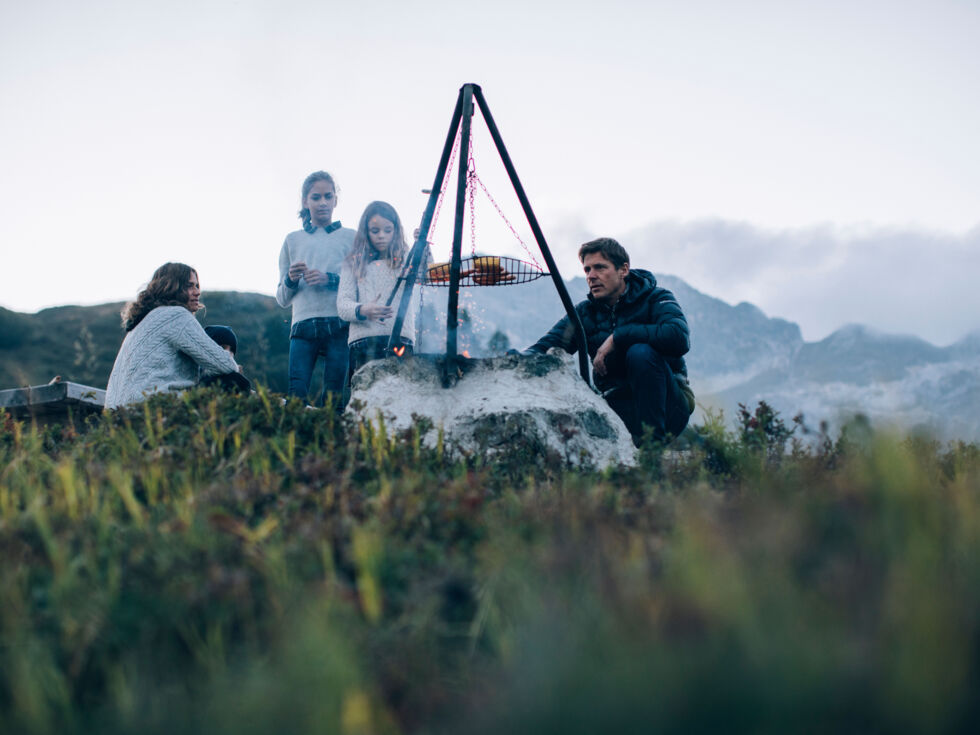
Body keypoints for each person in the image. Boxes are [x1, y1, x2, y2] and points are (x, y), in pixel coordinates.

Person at [526, 237, 695, 445]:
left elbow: (678, 337)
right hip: (616, 406)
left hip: (668, 405)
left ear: (623, 270)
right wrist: (515, 358)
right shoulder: (584, 312)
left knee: (640, 352)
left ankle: (654, 453)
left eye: (600, 267)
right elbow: (548, 345)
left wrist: (618, 337)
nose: (591, 276)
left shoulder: (656, 298)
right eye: (587, 270)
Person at [105, 263, 241, 409]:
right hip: (148, 411)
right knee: (233, 381)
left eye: (197, 285)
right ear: (171, 287)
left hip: (115, 414)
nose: (197, 292)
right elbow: (225, 365)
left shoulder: (141, 322)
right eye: (189, 286)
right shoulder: (176, 315)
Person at [276, 170, 355, 407]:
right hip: (303, 326)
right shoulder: (292, 240)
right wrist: (291, 279)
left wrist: (329, 279)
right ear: (305, 201)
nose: (322, 203)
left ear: (335, 200)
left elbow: (362, 286)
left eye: (328, 197)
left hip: (339, 325)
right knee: (296, 396)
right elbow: (282, 298)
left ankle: (332, 443)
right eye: (316, 197)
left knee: (333, 399)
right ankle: (297, 443)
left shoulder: (351, 237)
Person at [337, 201, 424, 381]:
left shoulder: (405, 259)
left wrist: (423, 246)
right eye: (375, 231)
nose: (381, 236)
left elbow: (425, 276)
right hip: (363, 342)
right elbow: (343, 304)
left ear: (396, 231)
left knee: (401, 398)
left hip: (400, 339)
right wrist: (363, 310)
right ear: (366, 232)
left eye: (387, 230)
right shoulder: (352, 263)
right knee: (365, 401)